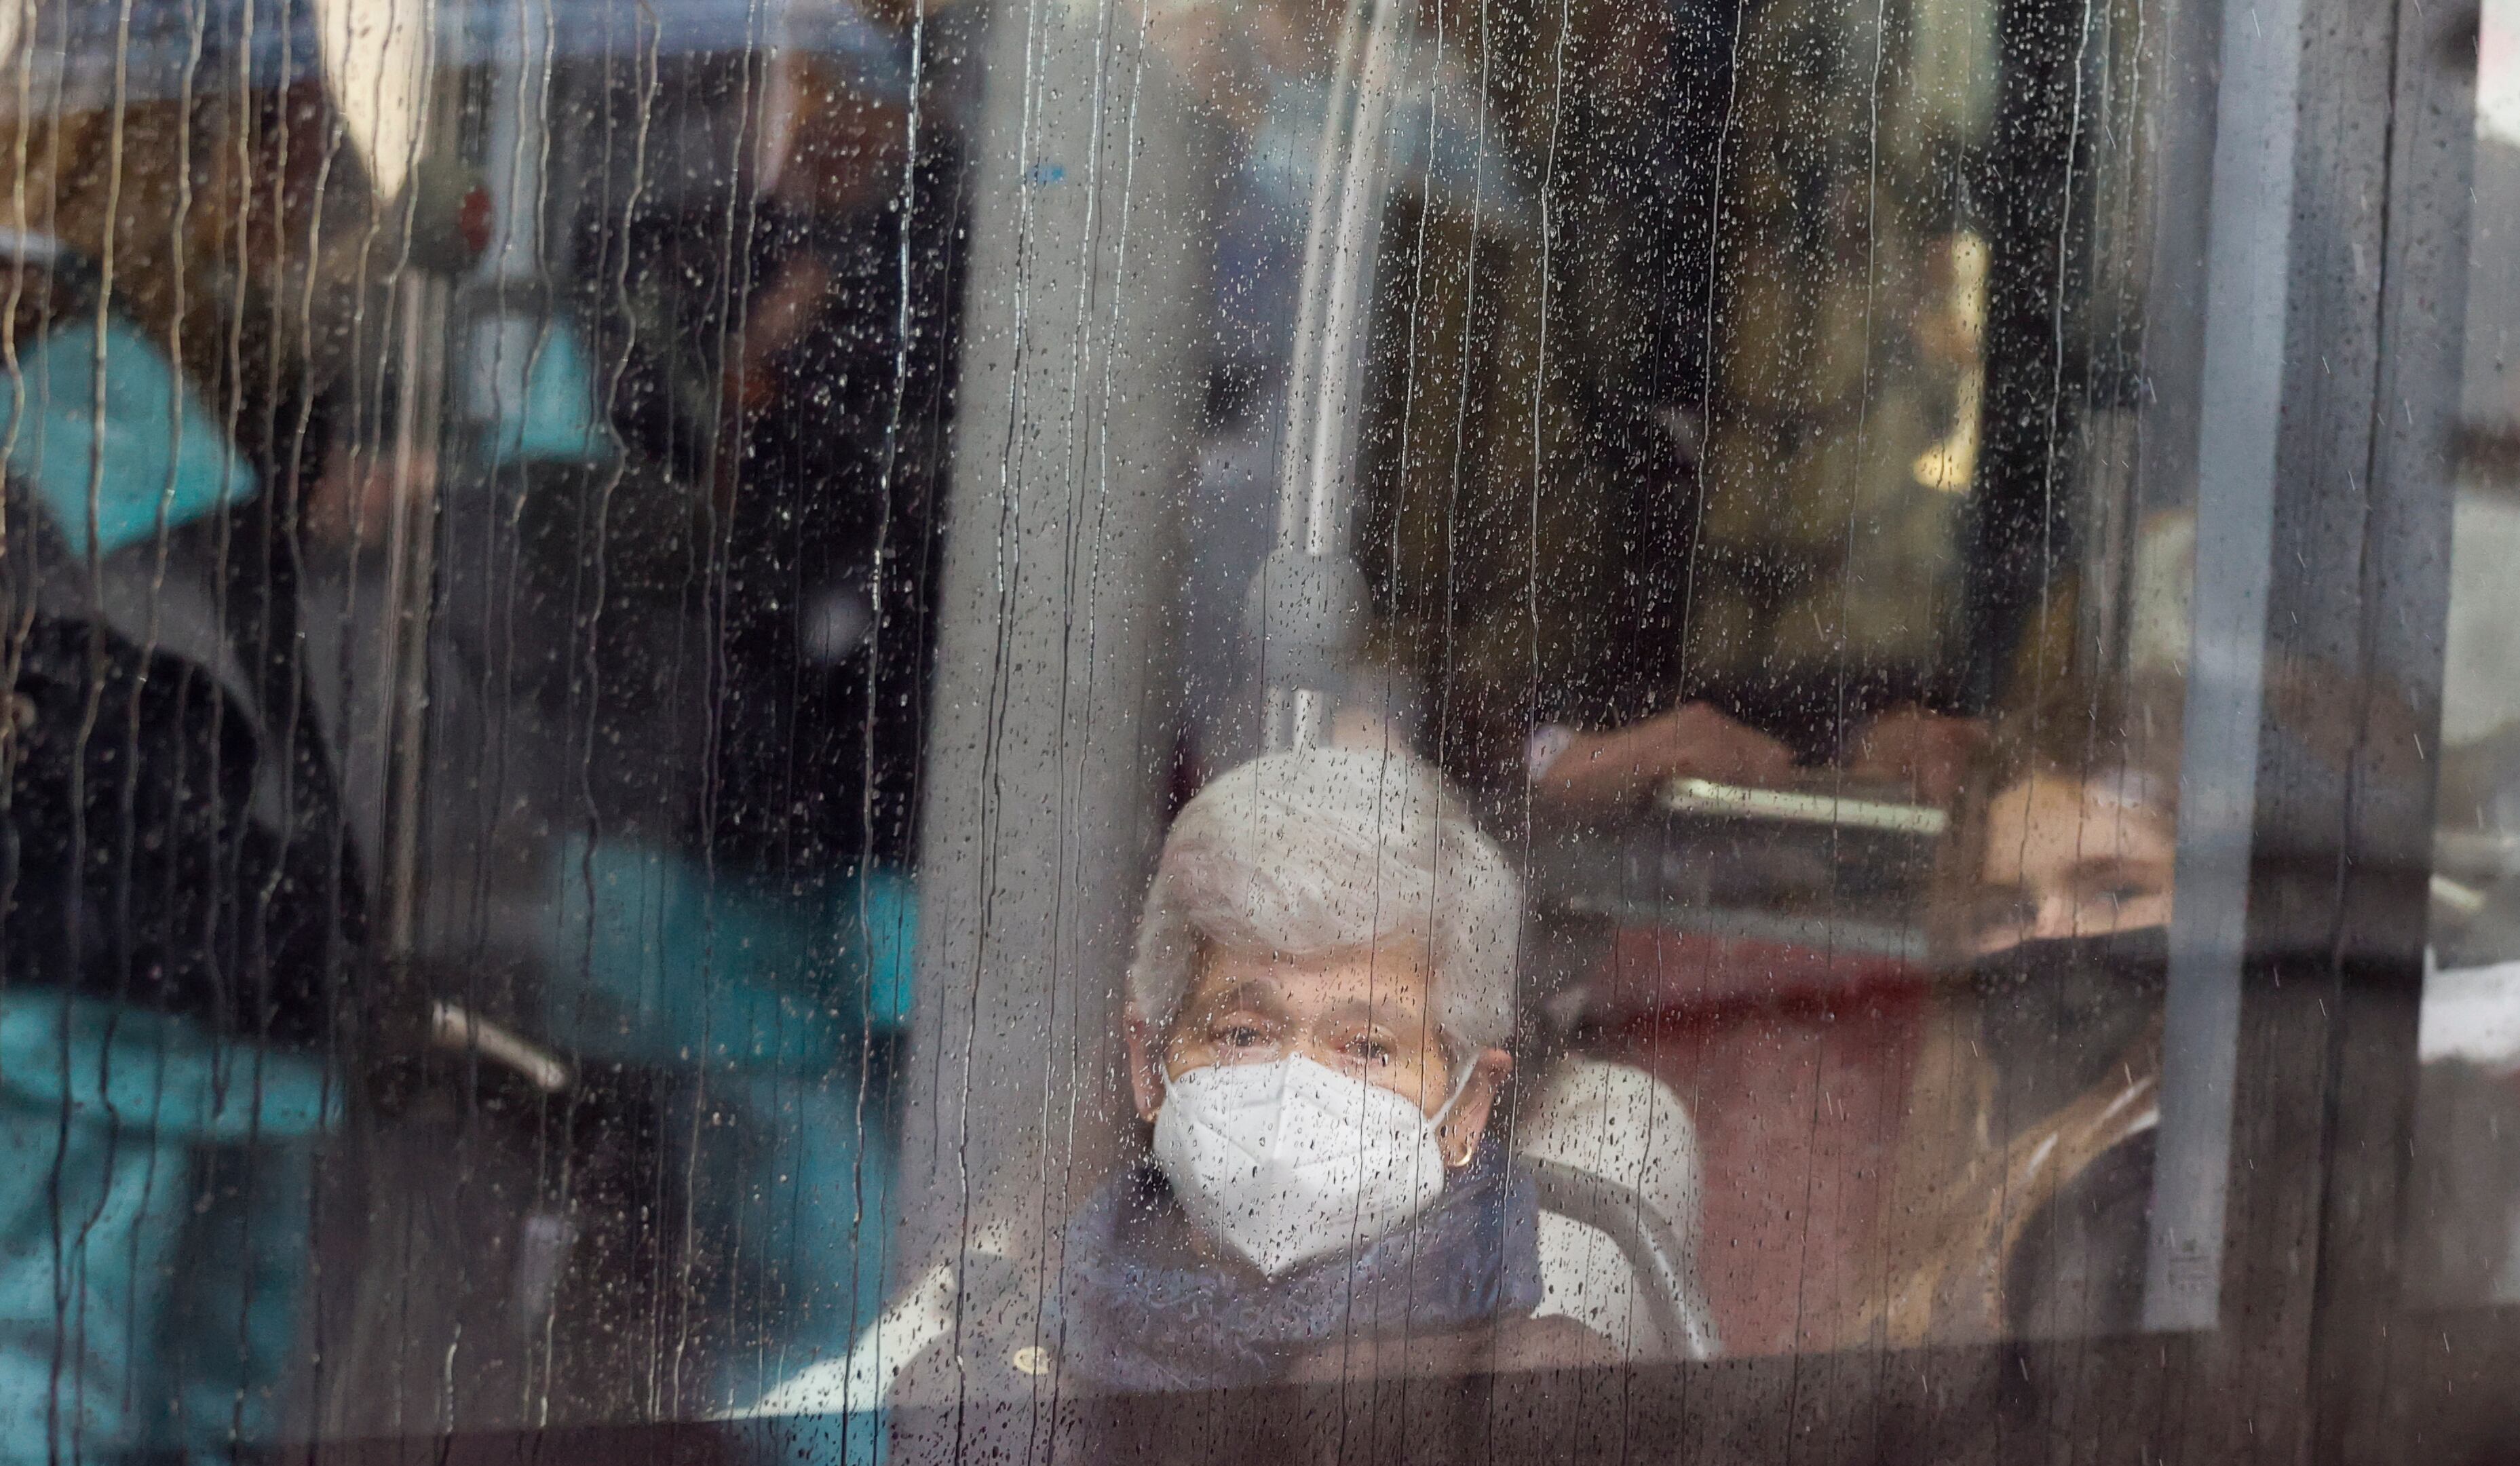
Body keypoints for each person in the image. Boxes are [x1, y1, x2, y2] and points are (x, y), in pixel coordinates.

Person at [751, 746, 1624, 1458]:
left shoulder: (1547, 1409)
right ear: (1149, 1063)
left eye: (1368, 1046)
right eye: (1243, 1032)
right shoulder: (985, 1366)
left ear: (1468, 1105)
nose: (1297, 1089)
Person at [1860, 720, 2177, 1345]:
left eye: (2114, 890)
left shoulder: (2146, 1193)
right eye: (2006, 911)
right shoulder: (1980, 1142)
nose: (2054, 931)